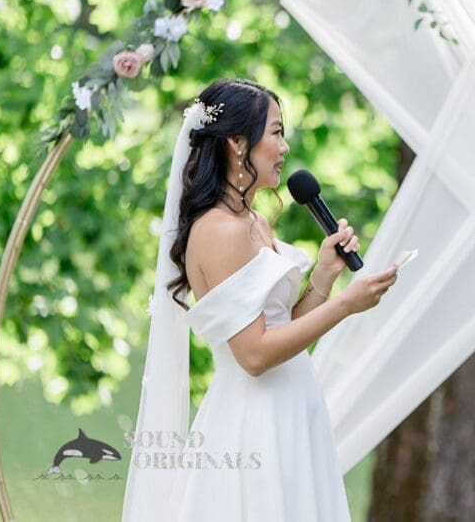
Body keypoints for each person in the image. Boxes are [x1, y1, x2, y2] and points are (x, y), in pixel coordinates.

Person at [122, 78, 398, 521]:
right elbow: (252, 354)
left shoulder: (254, 222)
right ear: (236, 142)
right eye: (275, 132)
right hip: (253, 426)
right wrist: (346, 306)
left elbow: (281, 332)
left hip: (291, 412)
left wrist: (325, 276)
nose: (284, 146)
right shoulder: (218, 230)